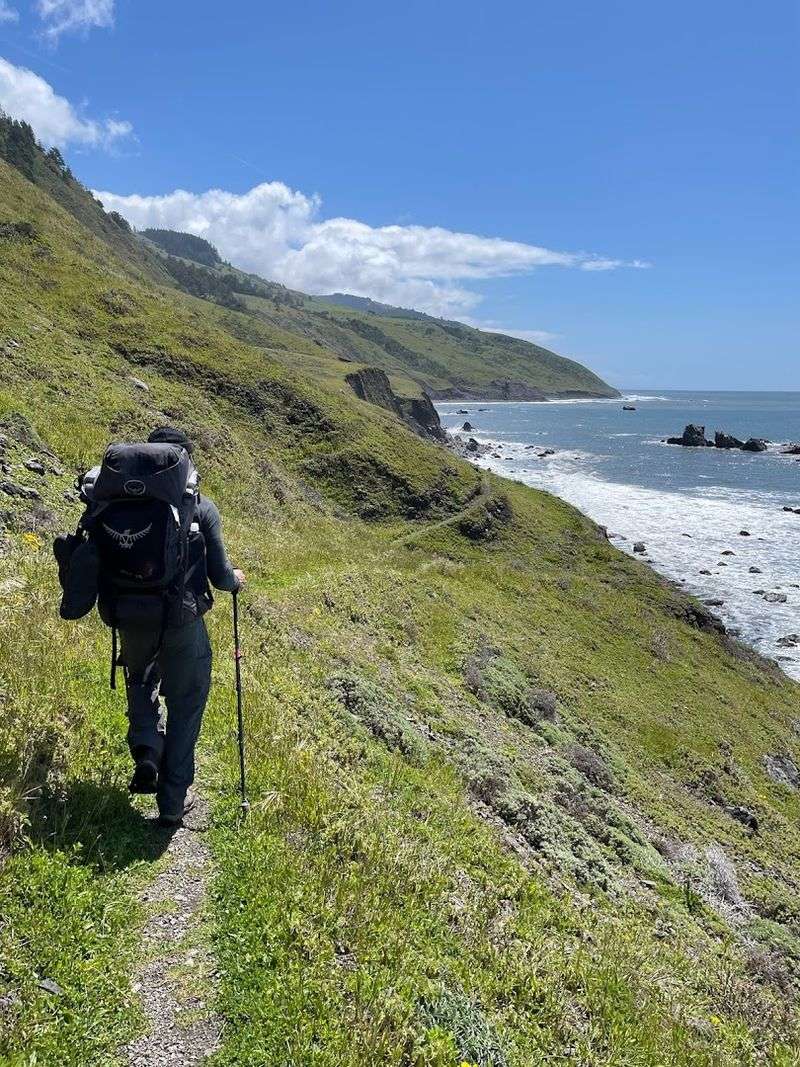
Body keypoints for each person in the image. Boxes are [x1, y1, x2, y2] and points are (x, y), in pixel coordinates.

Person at [117, 427, 245, 826]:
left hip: (130, 616)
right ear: (184, 461)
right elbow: (221, 577)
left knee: (139, 681)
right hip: (182, 620)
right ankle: (172, 803)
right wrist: (236, 579)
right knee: (187, 702)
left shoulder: (117, 501)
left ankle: (148, 748)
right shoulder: (201, 508)